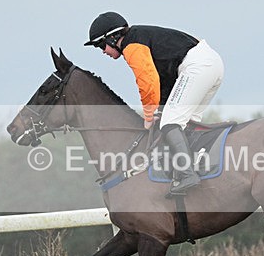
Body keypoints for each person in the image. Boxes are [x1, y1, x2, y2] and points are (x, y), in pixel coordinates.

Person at [84, 11, 224, 196]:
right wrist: (159, 110)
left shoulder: (131, 45)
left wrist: (149, 115)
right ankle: (195, 168)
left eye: (101, 45)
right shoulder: (142, 39)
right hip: (210, 64)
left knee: (170, 123)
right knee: (184, 123)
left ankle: (187, 175)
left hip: (197, 67)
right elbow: (163, 81)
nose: (103, 51)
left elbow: (147, 82)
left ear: (113, 37)